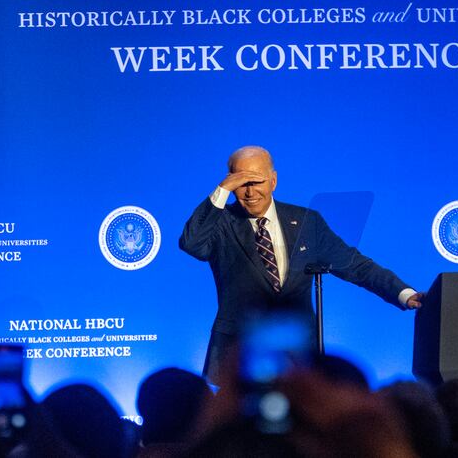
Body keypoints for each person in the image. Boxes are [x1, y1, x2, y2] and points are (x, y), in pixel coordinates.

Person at [179, 146, 423, 384]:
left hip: (299, 353)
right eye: (242, 183)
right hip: (238, 353)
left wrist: (403, 293)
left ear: (273, 181)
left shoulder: (306, 221)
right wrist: (222, 189)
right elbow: (192, 244)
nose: (250, 192)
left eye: (257, 181)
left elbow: (355, 265)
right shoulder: (221, 222)